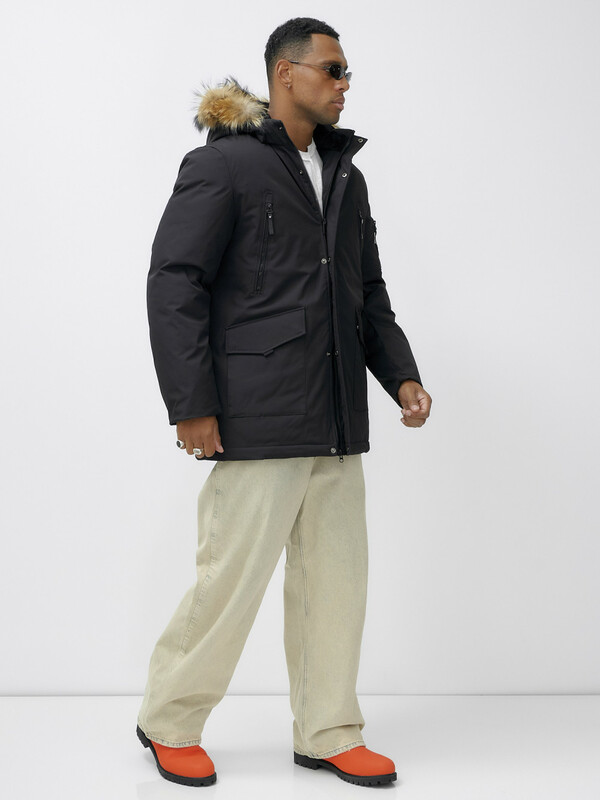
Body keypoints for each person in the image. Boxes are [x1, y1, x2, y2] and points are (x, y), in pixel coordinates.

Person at [136, 16, 432, 788]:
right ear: (285, 74)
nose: (344, 84)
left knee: (336, 586)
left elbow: (367, 291)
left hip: (336, 417)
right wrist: (191, 402)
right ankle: (169, 719)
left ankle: (327, 730)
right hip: (257, 415)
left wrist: (399, 375)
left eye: (346, 72)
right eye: (332, 69)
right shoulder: (224, 165)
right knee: (229, 582)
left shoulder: (345, 175)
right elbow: (175, 282)